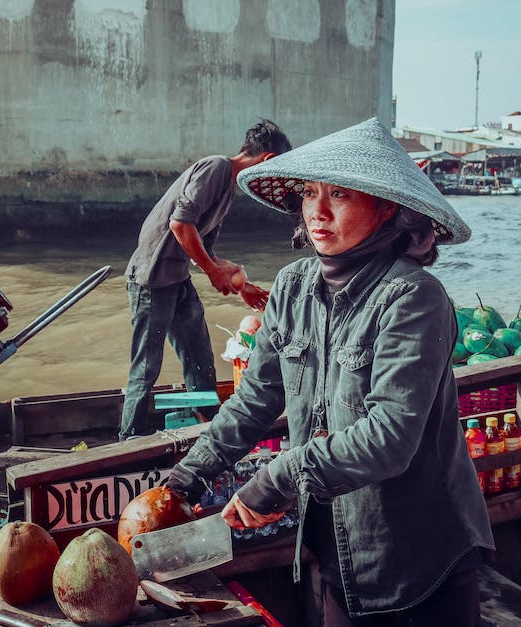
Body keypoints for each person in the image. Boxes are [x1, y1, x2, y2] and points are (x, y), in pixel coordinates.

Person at [167, 118, 494, 625]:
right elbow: (256, 398)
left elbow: (389, 437)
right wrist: (185, 479)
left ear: (387, 208)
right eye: (309, 193)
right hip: (334, 549)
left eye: (339, 194)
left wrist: (279, 475)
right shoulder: (293, 286)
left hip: (416, 554)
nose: (317, 212)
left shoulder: (413, 298)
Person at [119, 120, 292, 440]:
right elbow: (180, 224)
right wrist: (213, 272)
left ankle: (206, 424)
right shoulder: (216, 168)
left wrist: (242, 286)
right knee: (145, 368)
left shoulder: (227, 188)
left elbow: (206, 249)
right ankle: (128, 441)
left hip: (177, 280)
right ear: (268, 160)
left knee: (200, 362)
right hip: (151, 280)